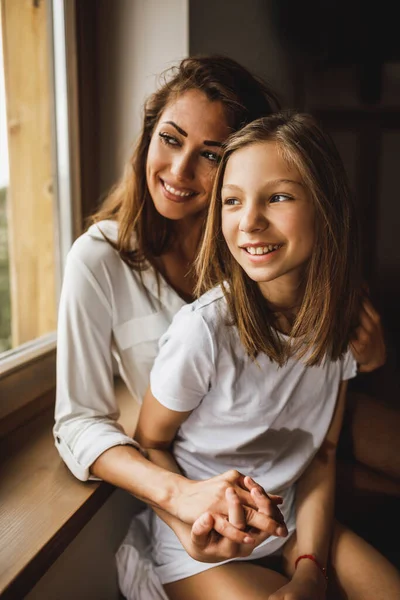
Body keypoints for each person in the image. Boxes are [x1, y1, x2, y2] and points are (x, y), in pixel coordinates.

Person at [53, 54, 396, 565]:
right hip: (208, 460)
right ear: (148, 138)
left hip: (306, 426)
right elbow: (80, 421)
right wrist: (177, 497)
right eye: (170, 139)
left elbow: (332, 338)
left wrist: (371, 354)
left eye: (211, 155)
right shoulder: (99, 259)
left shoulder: (260, 244)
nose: (179, 169)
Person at [135, 111, 400, 599]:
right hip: (203, 543)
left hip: (295, 523)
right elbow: (150, 443)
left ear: (326, 208)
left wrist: (310, 570)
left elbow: (322, 454)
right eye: (233, 201)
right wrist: (192, 531)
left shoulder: (339, 320)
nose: (250, 221)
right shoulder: (204, 331)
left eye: (277, 197)